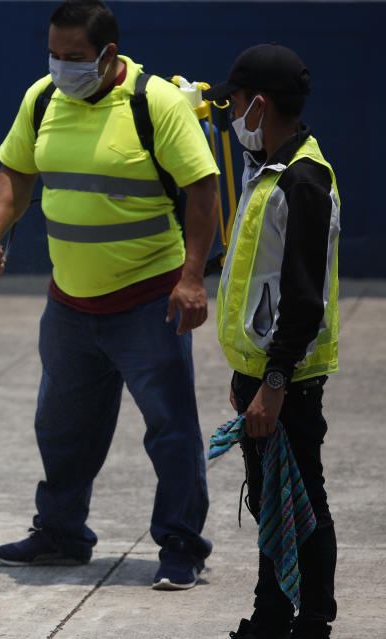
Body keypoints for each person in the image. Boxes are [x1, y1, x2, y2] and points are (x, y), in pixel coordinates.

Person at [0, 0, 220, 590]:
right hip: (69, 304)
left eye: (75, 58)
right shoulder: (42, 100)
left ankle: (182, 545)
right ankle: (60, 534)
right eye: (54, 56)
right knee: (60, 427)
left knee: (171, 430)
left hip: (147, 302)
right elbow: (16, 171)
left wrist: (191, 278)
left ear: (109, 53)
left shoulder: (153, 103)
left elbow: (202, 187)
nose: (62, 68)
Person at [204, 44, 340, 639]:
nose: (231, 116)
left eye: (233, 104)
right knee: (272, 505)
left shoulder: (303, 182)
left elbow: (305, 299)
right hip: (260, 376)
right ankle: (269, 617)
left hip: (287, 382)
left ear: (258, 105)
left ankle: (312, 623)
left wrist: (276, 385)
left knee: (302, 506)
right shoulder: (272, 170)